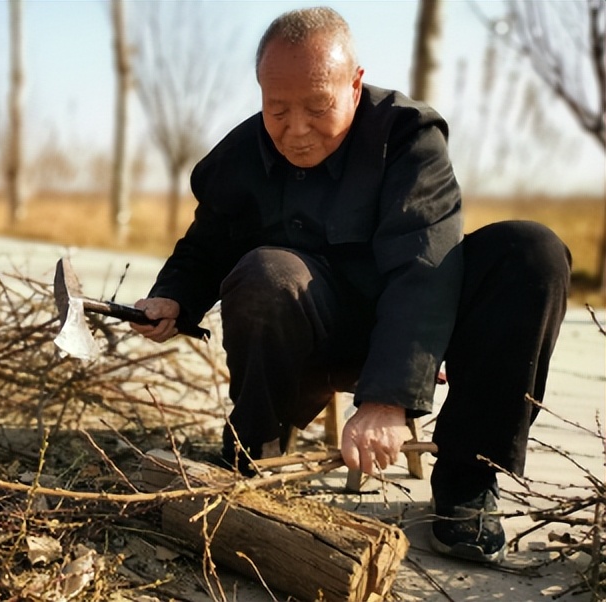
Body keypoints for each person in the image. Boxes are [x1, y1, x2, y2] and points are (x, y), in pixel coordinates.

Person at [130, 7, 570, 564]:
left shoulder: (409, 137)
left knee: (531, 252)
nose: (296, 129)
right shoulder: (241, 155)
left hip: (416, 327)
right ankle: (252, 451)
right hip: (316, 334)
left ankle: (466, 484)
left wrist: (390, 396)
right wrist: (174, 295)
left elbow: (423, 266)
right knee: (265, 271)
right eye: (277, 109)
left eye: (318, 108)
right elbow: (207, 244)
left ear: (355, 83)